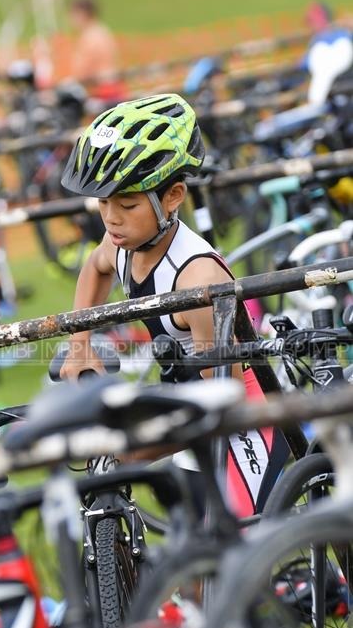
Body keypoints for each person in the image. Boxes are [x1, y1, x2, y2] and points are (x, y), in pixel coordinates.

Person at [59, 93, 289, 518]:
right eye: (104, 204)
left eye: (126, 204)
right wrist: (79, 346)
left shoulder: (197, 279)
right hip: (189, 397)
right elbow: (94, 268)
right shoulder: (124, 242)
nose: (110, 219)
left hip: (240, 422)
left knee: (220, 564)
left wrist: (145, 445)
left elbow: (224, 396)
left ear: (172, 196)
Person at [68, 0, 127, 104]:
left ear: (82, 13)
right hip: (114, 87)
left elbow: (83, 71)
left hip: (102, 91)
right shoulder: (102, 30)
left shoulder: (89, 36)